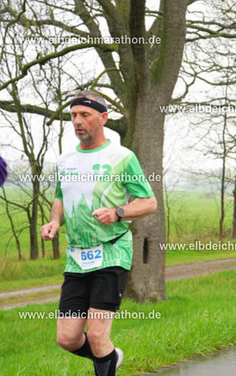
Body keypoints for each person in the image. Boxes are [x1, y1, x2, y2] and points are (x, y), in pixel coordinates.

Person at [40, 91, 157, 376]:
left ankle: (105, 359)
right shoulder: (65, 160)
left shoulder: (122, 157)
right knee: (67, 338)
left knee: (96, 335)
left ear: (103, 118)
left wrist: (118, 212)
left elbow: (149, 202)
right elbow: (60, 196)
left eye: (85, 115)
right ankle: (110, 357)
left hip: (112, 252)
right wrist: (54, 221)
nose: (77, 121)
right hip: (77, 258)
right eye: (73, 116)